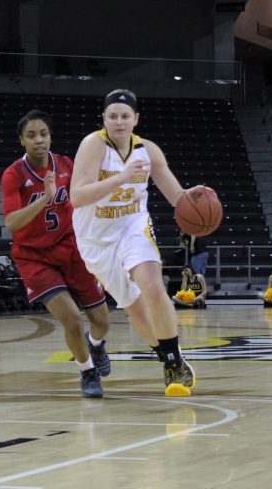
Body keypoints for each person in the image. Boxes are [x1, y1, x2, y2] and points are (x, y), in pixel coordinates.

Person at [71, 89, 200, 397]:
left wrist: (193, 200)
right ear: (103, 119)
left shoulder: (149, 151)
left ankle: (174, 364)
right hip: (96, 239)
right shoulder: (93, 145)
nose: (119, 122)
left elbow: (176, 196)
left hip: (132, 226)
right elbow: (77, 197)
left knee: (153, 285)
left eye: (125, 116)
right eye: (113, 116)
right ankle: (166, 356)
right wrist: (121, 177)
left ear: (136, 119)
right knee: (136, 310)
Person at [1, 110, 112, 398]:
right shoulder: (13, 175)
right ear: (21, 141)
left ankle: (96, 346)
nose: (39, 140)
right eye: (31, 135)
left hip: (72, 249)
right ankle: (87, 371)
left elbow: (84, 198)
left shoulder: (66, 164)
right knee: (72, 319)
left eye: (43, 134)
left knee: (102, 321)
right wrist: (46, 199)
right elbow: (11, 222)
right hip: (34, 257)